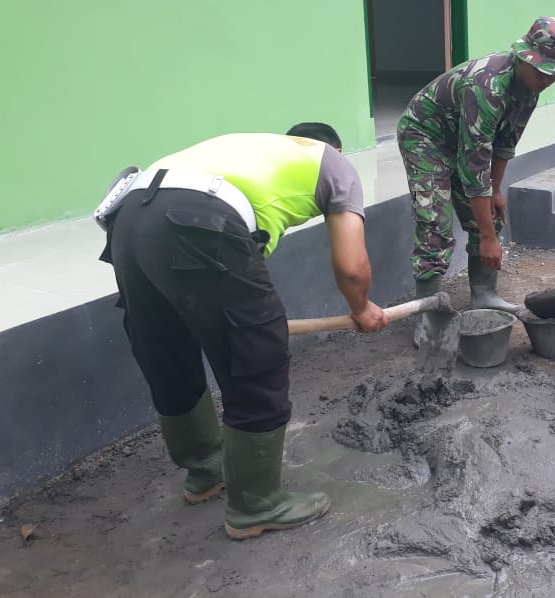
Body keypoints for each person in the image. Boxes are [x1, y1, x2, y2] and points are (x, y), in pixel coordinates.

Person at [96, 126, 387, 539]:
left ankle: (205, 470)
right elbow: (352, 266)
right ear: (335, 150)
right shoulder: (335, 165)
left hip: (128, 218)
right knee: (257, 355)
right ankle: (256, 504)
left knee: (166, 349)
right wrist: (361, 308)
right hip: (195, 218)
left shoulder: (254, 151)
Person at [397, 17, 555, 347]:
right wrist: (489, 239)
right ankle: (427, 315)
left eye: (553, 73)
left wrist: (496, 191)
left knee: (490, 211)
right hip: (426, 137)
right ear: (524, 58)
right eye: (542, 71)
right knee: (434, 222)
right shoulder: (487, 87)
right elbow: (474, 165)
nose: (547, 79)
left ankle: (484, 294)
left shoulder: (530, 89)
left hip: (465, 143)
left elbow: (505, 143)